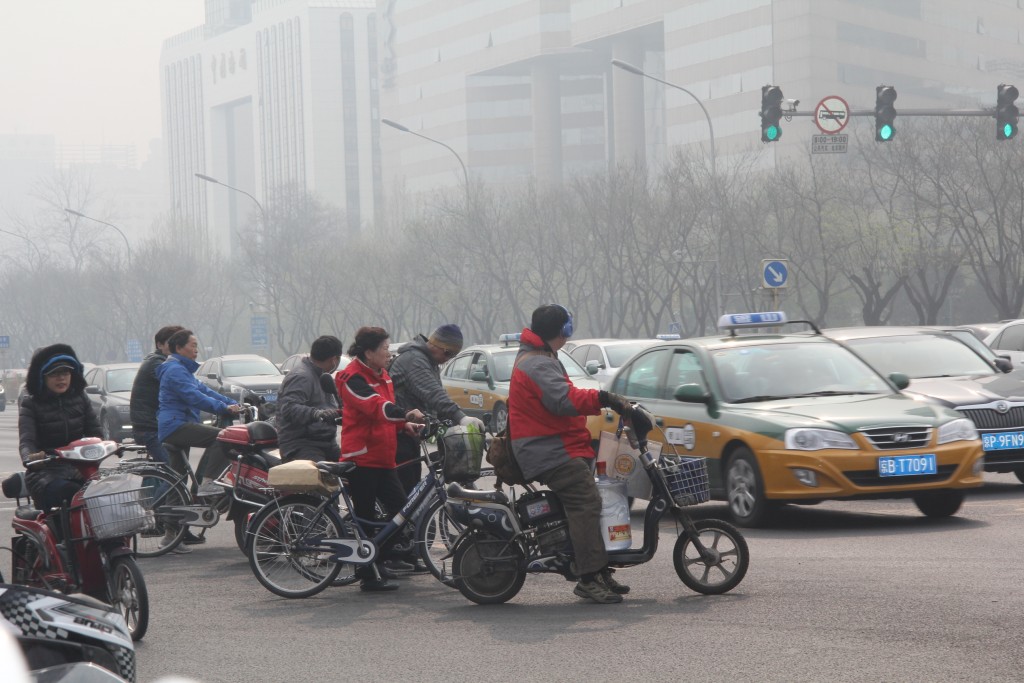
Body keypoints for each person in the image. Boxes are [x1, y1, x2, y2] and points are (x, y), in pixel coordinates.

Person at [508, 304, 636, 604]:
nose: (568, 333)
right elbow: (564, 400)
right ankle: (588, 578)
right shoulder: (537, 363)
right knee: (586, 502)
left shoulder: (542, 356)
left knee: (593, 500)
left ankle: (598, 569)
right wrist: (604, 398)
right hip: (546, 450)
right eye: (567, 327)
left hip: (555, 444)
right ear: (562, 330)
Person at [336, 326, 424, 592]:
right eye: (385, 348)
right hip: (361, 459)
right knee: (365, 517)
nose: (389, 353)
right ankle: (367, 574)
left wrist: (404, 426)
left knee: (401, 512)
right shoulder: (350, 377)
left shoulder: (383, 374)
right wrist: (406, 414)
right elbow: (375, 406)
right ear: (369, 352)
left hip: (384, 457)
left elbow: (387, 414)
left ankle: (377, 558)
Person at [389, 324, 484, 492]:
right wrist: (461, 417)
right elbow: (433, 394)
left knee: (413, 490)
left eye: (452, 356)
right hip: (397, 435)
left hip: (411, 433)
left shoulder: (429, 361)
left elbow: (438, 398)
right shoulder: (415, 360)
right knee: (406, 495)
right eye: (447, 353)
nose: (448, 358)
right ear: (434, 344)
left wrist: (454, 422)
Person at [155, 329, 241, 504]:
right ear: (179, 348)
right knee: (223, 438)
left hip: (176, 424)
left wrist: (232, 402)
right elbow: (194, 396)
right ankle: (208, 482)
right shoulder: (175, 370)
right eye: (193, 345)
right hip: (175, 425)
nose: (196, 350)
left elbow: (204, 390)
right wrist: (224, 408)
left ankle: (172, 519)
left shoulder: (181, 369)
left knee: (178, 479)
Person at [18, 344, 101, 513]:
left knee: (106, 493)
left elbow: (96, 433)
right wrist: (31, 458)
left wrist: (103, 448)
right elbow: (27, 441)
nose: (61, 378)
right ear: (42, 377)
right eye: (54, 374)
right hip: (45, 472)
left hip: (80, 468)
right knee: (71, 492)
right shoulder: (31, 403)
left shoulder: (81, 397)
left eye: (65, 373)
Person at [277, 335, 343, 463]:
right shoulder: (302, 376)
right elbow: (289, 407)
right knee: (323, 473)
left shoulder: (323, 376)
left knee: (354, 467)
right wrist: (317, 413)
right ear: (334, 359)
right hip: (301, 444)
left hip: (326, 443)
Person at [130, 325, 184, 469]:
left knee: (175, 469)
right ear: (160, 345)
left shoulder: (165, 362)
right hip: (151, 428)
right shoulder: (157, 364)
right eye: (172, 343)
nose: (177, 347)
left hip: (158, 425)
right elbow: (182, 388)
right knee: (171, 472)